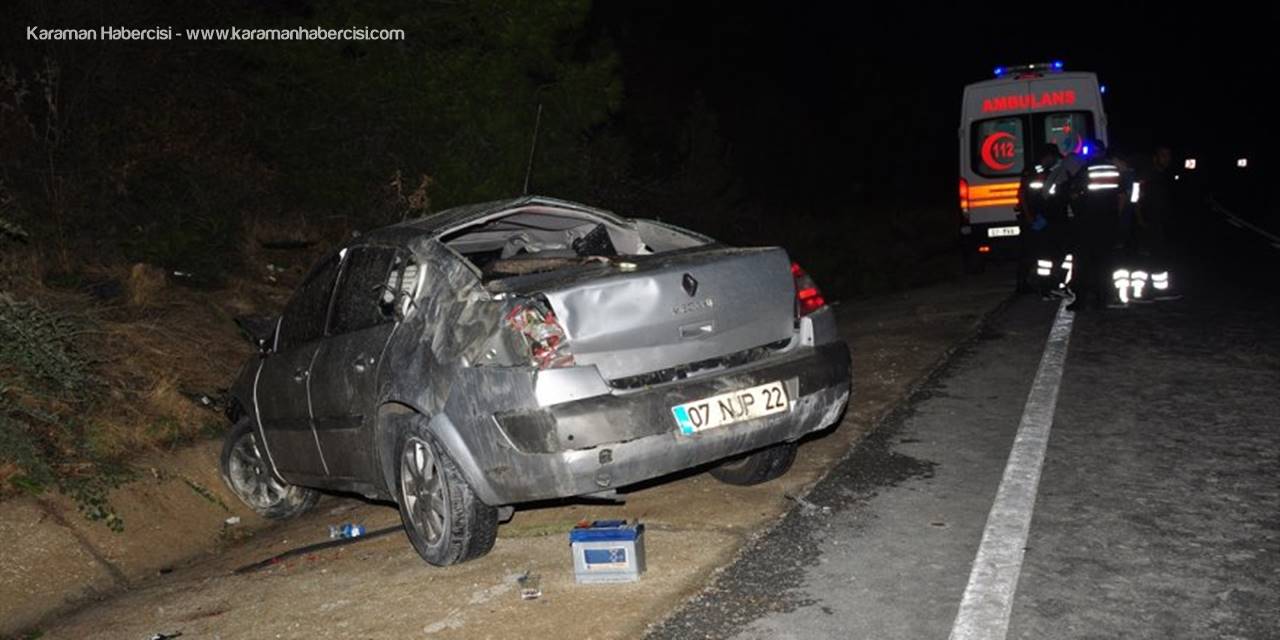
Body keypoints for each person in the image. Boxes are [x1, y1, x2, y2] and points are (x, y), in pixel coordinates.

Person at [1058, 139, 1127, 311]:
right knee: (1104, 262)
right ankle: (1102, 298)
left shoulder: (1086, 170)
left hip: (1088, 223)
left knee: (1082, 262)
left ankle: (1080, 300)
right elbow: (1121, 197)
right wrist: (1116, 218)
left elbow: (1074, 193)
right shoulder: (1114, 170)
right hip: (1108, 222)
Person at [1016, 145, 1064, 296]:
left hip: (1044, 217)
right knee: (1030, 253)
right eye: (1054, 157)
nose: (1056, 160)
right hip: (1033, 218)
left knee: (1045, 253)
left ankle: (1045, 283)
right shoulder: (1033, 171)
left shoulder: (1047, 171)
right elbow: (1023, 195)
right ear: (1047, 156)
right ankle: (1025, 285)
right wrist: (1030, 217)